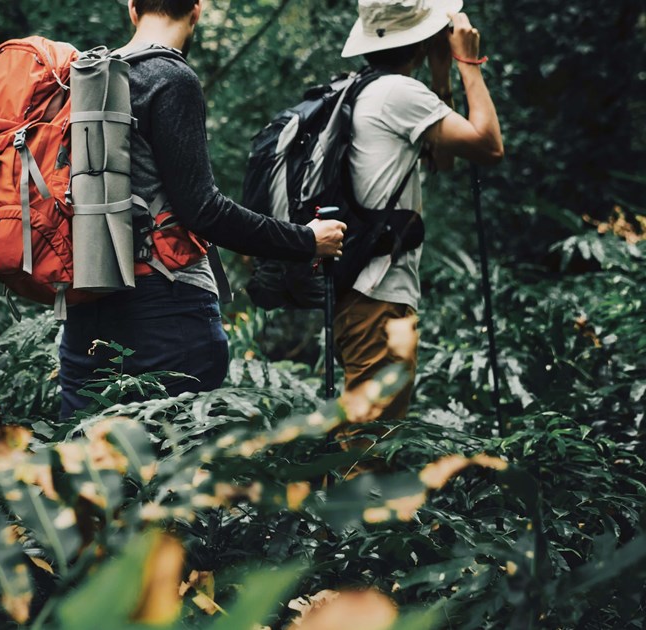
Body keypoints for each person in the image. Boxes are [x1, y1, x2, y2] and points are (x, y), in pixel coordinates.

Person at [57, 0, 347, 418]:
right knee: (174, 465)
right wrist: (306, 240)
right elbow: (204, 209)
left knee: (89, 464)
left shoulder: (85, 78)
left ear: (132, 8)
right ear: (197, 9)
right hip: (166, 306)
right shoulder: (171, 78)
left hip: (87, 299)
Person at [335, 0, 503, 419]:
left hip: (363, 295)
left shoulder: (368, 88)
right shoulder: (397, 92)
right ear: (421, 38)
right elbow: (489, 145)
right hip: (379, 296)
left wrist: (441, 72)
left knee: (368, 441)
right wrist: (468, 61)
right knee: (370, 450)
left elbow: (442, 159)